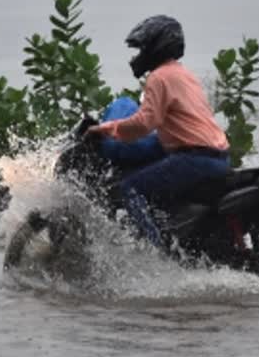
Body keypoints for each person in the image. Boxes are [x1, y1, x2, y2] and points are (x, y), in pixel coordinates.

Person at [87, 15, 230, 248]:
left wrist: (106, 128)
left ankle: (155, 254)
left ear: (157, 47)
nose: (139, 54)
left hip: (194, 159)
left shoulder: (159, 77)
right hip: (218, 157)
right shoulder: (184, 74)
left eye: (143, 48)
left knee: (131, 188)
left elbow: (144, 123)